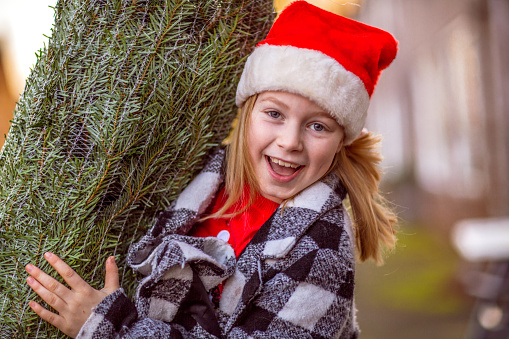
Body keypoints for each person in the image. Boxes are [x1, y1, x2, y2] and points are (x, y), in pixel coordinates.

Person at [25, 1, 398, 338]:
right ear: (247, 112)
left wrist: (111, 328)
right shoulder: (199, 180)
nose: (290, 141)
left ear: (340, 142)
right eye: (274, 113)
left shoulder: (322, 247)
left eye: (318, 126)